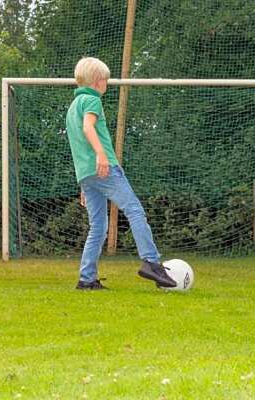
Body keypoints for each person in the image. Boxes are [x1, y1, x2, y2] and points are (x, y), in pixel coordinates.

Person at [65, 57, 176, 290]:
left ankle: (87, 279)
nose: (107, 84)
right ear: (97, 81)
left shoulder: (73, 106)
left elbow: (77, 143)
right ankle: (151, 262)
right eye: (106, 80)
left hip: (86, 174)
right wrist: (102, 155)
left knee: (98, 227)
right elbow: (88, 128)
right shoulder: (92, 101)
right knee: (134, 209)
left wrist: (85, 182)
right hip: (103, 168)